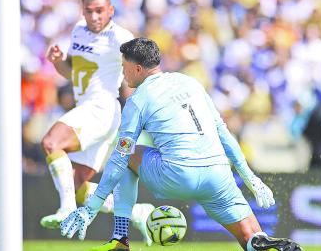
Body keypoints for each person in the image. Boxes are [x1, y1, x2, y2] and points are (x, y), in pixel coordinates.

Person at [59, 38, 303, 251]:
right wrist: (251, 179)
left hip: (178, 174)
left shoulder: (137, 100)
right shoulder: (191, 83)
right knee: (251, 236)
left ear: (137, 68)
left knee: (129, 154)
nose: (123, 74)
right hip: (218, 174)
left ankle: (120, 239)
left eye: (124, 68)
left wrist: (90, 209)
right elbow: (224, 134)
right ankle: (259, 243)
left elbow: (120, 158)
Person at [40, 0, 154, 244]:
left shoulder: (120, 37)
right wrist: (58, 61)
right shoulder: (78, 30)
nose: (94, 17)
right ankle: (138, 212)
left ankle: (67, 209)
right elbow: (72, 73)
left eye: (100, 11)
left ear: (111, 10)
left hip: (101, 108)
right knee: (79, 189)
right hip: (88, 109)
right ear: (83, 11)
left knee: (51, 143)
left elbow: (141, 69)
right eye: (89, 11)